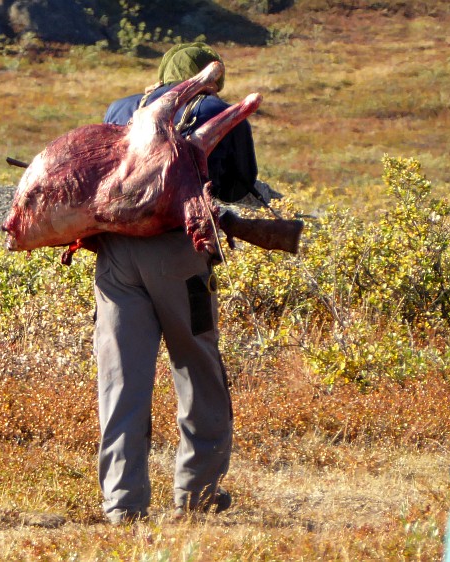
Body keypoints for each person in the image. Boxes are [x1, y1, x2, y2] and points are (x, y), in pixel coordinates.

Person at [94, 42, 259, 524]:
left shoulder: (122, 107)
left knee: (121, 376)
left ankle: (122, 502)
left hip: (115, 255)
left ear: (164, 74)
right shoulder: (216, 109)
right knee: (197, 365)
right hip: (178, 252)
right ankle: (198, 492)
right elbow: (238, 181)